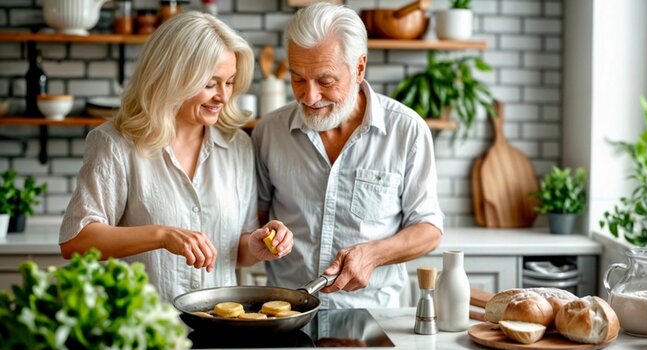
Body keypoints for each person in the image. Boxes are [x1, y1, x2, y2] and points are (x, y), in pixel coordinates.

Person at [59, 12, 293, 302]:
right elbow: (76, 241)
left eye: (229, 82)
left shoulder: (237, 146)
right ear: (172, 78)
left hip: (219, 333)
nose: (223, 96)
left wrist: (259, 246)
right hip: (145, 330)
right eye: (210, 83)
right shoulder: (115, 143)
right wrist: (161, 236)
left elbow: (239, 252)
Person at [252, 2, 443, 309]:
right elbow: (253, 224)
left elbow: (428, 230)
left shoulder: (406, 131)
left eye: (325, 82)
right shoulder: (269, 132)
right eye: (298, 79)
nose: (310, 97)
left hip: (373, 317)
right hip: (285, 315)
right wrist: (263, 237)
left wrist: (373, 253)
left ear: (359, 68)